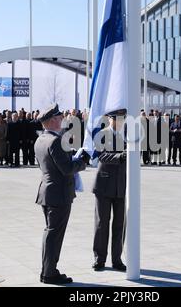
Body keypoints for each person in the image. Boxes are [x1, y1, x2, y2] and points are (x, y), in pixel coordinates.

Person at [34, 104, 88, 285]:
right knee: (54, 235)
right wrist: (83, 161)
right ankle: (49, 273)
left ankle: (47, 271)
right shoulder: (56, 141)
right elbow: (66, 169)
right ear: (51, 121)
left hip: (48, 191)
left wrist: (70, 154)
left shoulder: (41, 139)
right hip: (59, 193)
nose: (62, 120)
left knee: (50, 234)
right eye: (59, 118)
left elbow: (52, 163)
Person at [92, 110, 127, 273]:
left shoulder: (127, 136)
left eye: (122, 119)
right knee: (102, 223)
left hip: (120, 185)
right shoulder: (102, 134)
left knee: (119, 224)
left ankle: (117, 259)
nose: (119, 122)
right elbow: (101, 156)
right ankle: (99, 258)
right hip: (104, 184)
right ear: (109, 119)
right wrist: (120, 157)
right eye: (116, 119)